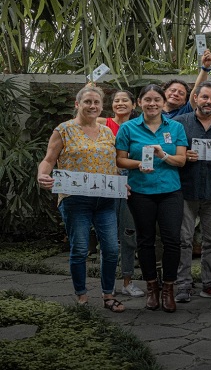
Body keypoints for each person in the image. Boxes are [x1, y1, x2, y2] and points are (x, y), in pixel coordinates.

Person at [37, 85, 125, 313]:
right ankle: (82, 296)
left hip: (105, 199)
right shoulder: (63, 130)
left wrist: (122, 183)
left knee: (111, 249)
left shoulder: (108, 132)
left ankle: (108, 295)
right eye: (87, 102)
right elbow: (49, 159)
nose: (92, 106)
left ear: (101, 106)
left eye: (96, 103)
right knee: (80, 249)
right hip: (75, 199)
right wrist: (42, 174)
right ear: (77, 104)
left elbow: (113, 163)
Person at [115, 84, 187, 312]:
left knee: (172, 241)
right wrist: (138, 165)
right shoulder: (127, 128)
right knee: (145, 241)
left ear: (164, 103)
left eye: (157, 99)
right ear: (139, 102)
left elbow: (181, 161)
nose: (152, 103)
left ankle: (168, 289)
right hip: (140, 192)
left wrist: (163, 154)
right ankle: (152, 288)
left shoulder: (175, 127)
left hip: (170, 192)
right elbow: (120, 160)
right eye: (147, 99)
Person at [173, 81, 211, 302]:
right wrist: (183, 156)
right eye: (205, 97)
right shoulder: (180, 123)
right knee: (184, 239)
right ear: (195, 98)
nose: (208, 102)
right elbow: (170, 152)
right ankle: (183, 285)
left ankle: (209, 284)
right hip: (185, 190)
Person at [96, 90, 144, 298]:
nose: (120, 103)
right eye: (116, 100)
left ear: (134, 105)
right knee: (106, 234)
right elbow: (79, 116)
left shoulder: (137, 128)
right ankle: (106, 284)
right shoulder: (103, 123)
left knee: (129, 233)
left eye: (125, 100)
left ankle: (127, 281)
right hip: (106, 180)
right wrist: (92, 90)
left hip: (130, 182)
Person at [162, 49, 211, 119]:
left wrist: (205, 67)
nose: (175, 94)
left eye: (181, 93)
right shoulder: (152, 110)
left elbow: (198, 88)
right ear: (163, 92)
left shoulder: (186, 111)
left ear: (185, 101)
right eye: (172, 90)